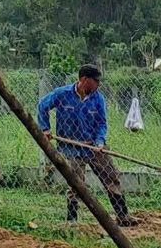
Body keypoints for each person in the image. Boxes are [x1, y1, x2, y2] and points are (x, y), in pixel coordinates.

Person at [37, 64, 138, 226]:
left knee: (111, 177)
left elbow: (101, 124)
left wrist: (100, 142)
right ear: (84, 80)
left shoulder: (98, 98)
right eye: (96, 81)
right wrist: (45, 128)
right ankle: (72, 221)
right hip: (70, 147)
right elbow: (42, 107)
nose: (99, 84)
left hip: (93, 146)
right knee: (76, 183)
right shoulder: (62, 94)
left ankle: (123, 216)